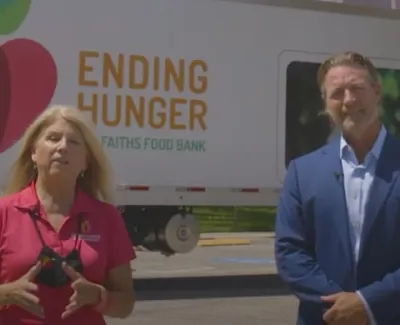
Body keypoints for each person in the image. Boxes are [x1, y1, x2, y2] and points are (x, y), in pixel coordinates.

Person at [275, 51, 400, 325]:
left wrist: (368, 305)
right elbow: (290, 253)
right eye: (337, 93)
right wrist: (341, 306)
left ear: (376, 92)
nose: (349, 100)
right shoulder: (302, 172)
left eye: (357, 88)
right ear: (325, 102)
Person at [0, 105, 136, 324]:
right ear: (34, 152)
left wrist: (98, 296)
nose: (62, 147)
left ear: (85, 161)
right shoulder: (4, 212)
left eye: (73, 142)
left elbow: (126, 304)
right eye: (53, 138)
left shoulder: (106, 217)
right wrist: (8, 293)